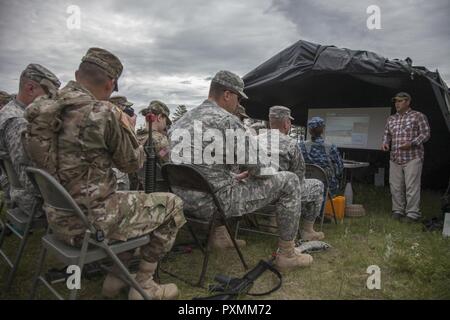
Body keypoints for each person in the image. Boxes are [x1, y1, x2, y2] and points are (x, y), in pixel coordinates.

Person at [24, 48, 186, 300]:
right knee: (171, 205)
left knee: (131, 197)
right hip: (91, 222)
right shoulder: (103, 112)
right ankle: (144, 284)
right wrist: (127, 130)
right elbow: (132, 164)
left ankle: (115, 279)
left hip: (56, 217)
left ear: (77, 74)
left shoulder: (42, 107)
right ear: (111, 84)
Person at [169, 70, 313, 271]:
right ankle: (287, 253)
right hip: (214, 203)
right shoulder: (227, 121)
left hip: (181, 201)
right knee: (289, 180)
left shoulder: (180, 121)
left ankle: (219, 238)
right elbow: (261, 167)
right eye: (238, 97)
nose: (238, 104)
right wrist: (252, 173)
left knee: (229, 179)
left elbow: (193, 166)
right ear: (227, 94)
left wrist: (232, 176)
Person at [0, 64, 60, 216]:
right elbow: (28, 177)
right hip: (32, 201)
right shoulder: (17, 122)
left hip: (22, 193)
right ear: (30, 88)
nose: (53, 101)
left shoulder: (13, 112)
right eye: (50, 95)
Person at [259, 106, 325, 240]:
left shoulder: (255, 139)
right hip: (280, 194)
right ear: (286, 123)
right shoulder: (291, 144)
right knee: (317, 186)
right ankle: (308, 230)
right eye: (289, 121)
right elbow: (299, 175)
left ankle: (273, 220)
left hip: (258, 193)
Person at [382, 92, 430, 222]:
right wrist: (385, 143)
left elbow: (425, 134)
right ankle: (397, 210)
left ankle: (412, 214)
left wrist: (412, 143)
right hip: (395, 157)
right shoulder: (391, 119)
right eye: (396, 101)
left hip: (412, 157)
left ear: (408, 102)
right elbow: (387, 134)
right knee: (395, 186)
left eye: (400, 101)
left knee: (411, 186)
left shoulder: (418, 116)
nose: (397, 103)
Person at [299, 116, 344, 197]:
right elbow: (340, 169)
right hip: (327, 188)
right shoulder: (331, 147)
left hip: (305, 185)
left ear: (309, 131)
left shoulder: (300, 146)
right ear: (322, 130)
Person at [109, 95, 137, 190]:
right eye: (124, 106)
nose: (126, 109)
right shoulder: (118, 120)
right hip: (117, 169)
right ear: (117, 105)